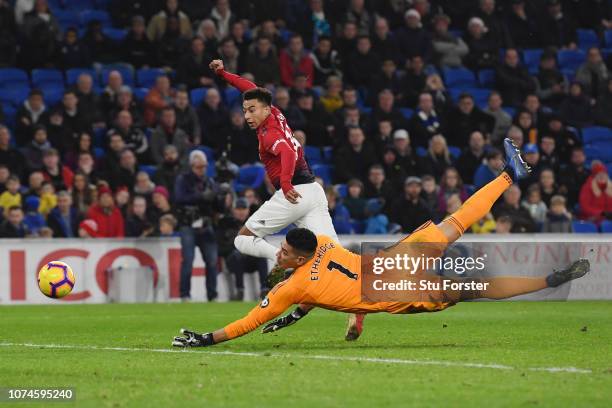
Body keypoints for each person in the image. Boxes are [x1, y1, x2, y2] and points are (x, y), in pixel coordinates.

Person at [172, 139, 589, 347]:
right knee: (456, 220)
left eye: (283, 252)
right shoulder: (323, 249)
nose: (278, 256)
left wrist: (207, 338)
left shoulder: (293, 285)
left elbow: (252, 321)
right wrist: (347, 317)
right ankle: (508, 175)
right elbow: (335, 286)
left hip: (396, 288)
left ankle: (550, 279)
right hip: (392, 261)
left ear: (299, 254)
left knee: (477, 288)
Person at [210, 58, 364, 339]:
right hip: (314, 191)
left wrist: (283, 182)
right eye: (245, 110)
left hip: (293, 193)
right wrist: (224, 75)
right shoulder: (274, 114)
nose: (247, 115)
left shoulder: (269, 134)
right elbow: (249, 87)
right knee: (335, 255)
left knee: (242, 240)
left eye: (252, 110)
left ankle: (281, 260)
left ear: (265, 109)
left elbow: (288, 152)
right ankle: (358, 308)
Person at [174, 150, 223, 302]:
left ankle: (212, 294)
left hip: (206, 224)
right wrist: (202, 196)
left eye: (203, 166)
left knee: (211, 260)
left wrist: (221, 196)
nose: (201, 170)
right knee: (188, 260)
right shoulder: (183, 179)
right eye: (198, 167)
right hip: (188, 223)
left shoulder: (210, 182)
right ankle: (185, 294)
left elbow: (218, 207)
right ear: (192, 166)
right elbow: (179, 198)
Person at [218, 198, 269, 301]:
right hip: (233, 260)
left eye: (244, 209)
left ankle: (264, 289)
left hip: (250, 259)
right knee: (237, 255)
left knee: (262, 256)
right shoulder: (225, 223)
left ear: (248, 210)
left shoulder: (254, 223)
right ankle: (240, 290)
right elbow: (220, 248)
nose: (241, 212)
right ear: (233, 210)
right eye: (238, 209)